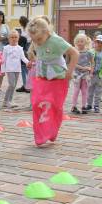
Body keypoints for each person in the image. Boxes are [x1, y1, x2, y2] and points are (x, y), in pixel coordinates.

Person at [26, 17, 79, 146]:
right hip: (42, 77)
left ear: (47, 32)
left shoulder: (56, 41)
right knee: (37, 104)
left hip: (58, 79)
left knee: (54, 107)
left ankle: (52, 130)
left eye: (39, 40)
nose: (37, 42)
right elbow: (34, 49)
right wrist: (32, 57)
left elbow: (75, 53)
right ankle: (41, 135)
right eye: (34, 40)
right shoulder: (36, 39)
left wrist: (69, 72)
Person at [2, 30, 29, 109]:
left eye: (15, 37)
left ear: (18, 38)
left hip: (17, 69)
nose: (14, 39)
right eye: (12, 37)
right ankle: (6, 101)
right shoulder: (6, 48)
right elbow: (3, 60)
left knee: (13, 86)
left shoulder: (20, 48)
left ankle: (9, 101)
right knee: (11, 85)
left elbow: (23, 58)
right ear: (9, 38)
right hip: (9, 69)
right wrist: (3, 70)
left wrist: (28, 63)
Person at [70, 33, 94, 115]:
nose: (80, 43)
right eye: (78, 41)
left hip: (85, 75)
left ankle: (84, 106)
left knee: (85, 91)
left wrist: (91, 72)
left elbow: (92, 62)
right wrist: (84, 68)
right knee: (76, 90)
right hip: (77, 74)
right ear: (76, 42)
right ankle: (73, 106)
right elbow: (73, 63)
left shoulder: (89, 52)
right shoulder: (75, 52)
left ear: (85, 42)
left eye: (82, 41)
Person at [87, 35, 102, 113]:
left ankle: (96, 105)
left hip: (100, 75)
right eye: (98, 42)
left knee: (98, 91)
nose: (99, 44)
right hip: (91, 74)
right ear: (94, 43)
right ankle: (89, 104)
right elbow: (87, 62)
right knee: (89, 91)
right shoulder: (90, 52)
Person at [16, 16, 31, 93]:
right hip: (22, 46)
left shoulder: (29, 27)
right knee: (22, 67)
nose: (21, 24)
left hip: (28, 46)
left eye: (21, 22)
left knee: (26, 66)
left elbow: (29, 39)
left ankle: (28, 85)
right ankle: (25, 84)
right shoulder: (22, 28)